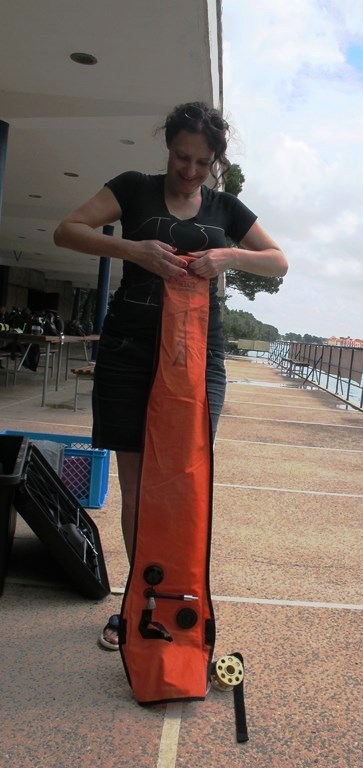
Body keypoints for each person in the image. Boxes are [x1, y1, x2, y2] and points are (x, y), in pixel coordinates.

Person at [54, 101, 288, 649]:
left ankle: (180, 599)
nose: (190, 170)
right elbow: (67, 231)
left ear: (215, 162)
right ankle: (136, 602)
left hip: (197, 360)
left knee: (182, 484)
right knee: (136, 489)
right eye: (182, 157)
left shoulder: (226, 208)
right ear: (168, 149)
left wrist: (229, 257)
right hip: (129, 353)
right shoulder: (133, 188)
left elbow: (278, 260)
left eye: (202, 163)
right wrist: (132, 249)